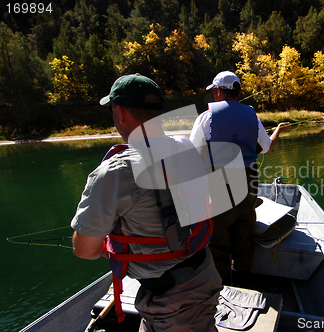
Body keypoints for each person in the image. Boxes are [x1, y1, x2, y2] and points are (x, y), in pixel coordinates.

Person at [71, 73, 222, 332]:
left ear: (120, 113)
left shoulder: (115, 173)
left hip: (172, 301)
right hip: (202, 274)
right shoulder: (186, 147)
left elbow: (84, 249)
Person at [189, 70, 290, 284]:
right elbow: (268, 147)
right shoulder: (252, 117)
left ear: (217, 92)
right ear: (237, 92)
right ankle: (243, 282)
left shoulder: (206, 118)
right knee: (244, 235)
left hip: (218, 186)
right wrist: (278, 130)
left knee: (217, 240)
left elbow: (193, 154)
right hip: (248, 185)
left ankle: (222, 287)